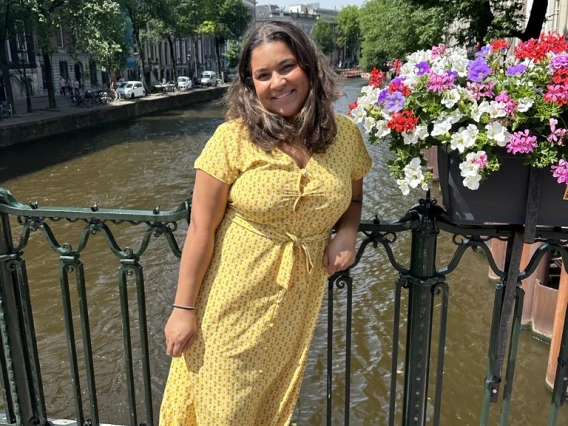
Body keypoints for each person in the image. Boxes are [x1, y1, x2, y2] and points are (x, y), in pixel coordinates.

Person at [160, 20, 372, 426]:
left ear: (309, 67)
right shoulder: (232, 138)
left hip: (296, 299)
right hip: (230, 300)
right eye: (263, 75)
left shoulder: (344, 135)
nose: (278, 82)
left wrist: (347, 231)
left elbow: (355, 197)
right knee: (221, 408)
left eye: (286, 66)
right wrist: (183, 309)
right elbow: (201, 228)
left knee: (270, 405)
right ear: (250, 84)